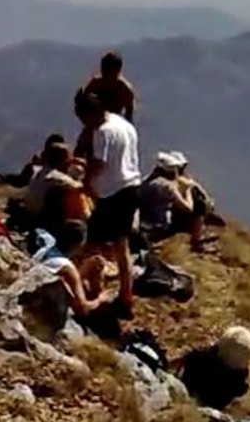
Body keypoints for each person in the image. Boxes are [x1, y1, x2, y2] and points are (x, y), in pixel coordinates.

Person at [80, 93, 141, 311]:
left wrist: (86, 181)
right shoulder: (122, 123)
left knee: (93, 243)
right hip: (131, 187)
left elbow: (99, 163)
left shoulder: (102, 132)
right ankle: (126, 295)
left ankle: (96, 290)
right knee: (121, 245)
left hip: (111, 194)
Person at [33, 221, 118, 323]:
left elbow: (61, 276)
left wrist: (85, 268)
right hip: (46, 313)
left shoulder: (47, 248)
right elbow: (82, 309)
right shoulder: (68, 268)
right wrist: (101, 299)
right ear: (80, 243)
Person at [140, 151, 210, 251]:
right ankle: (196, 242)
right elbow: (188, 208)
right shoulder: (167, 186)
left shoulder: (146, 181)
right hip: (160, 226)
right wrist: (187, 190)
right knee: (199, 203)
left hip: (146, 222)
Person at [178, 326, 250, 410]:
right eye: (246, 356)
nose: (249, 361)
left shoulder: (239, 372)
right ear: (233, 353)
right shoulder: (200, 361)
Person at [25, 142, 91, 232]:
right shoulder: (55, 177)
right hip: (39, 217)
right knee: (73, 195)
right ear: (63, 159)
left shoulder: (39, 170)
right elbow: (79, 187)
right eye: (68, 157)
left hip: (30, 211)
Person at [77, 50, 136, 122]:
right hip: (95, 121)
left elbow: (129, 116)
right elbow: (83, 106)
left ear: (118, 71)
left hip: (115, 123)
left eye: (109, 72)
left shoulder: (125, 91)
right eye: (103, 71)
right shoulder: (95, 84)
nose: (105, 76)